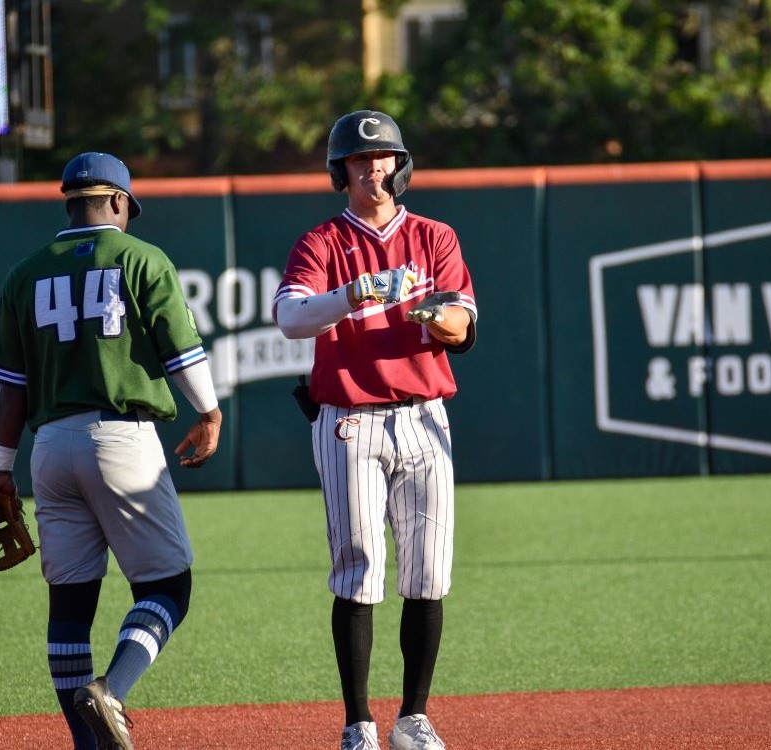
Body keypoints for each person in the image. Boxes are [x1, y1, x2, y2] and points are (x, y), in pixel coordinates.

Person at [0, 151, 223, 750]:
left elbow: (11, 386)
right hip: (122, 439)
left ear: (70, 201)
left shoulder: (24, 273)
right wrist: (209, 413)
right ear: (117, 201)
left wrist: (0, 472)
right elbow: (181, 355)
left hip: (49, 448)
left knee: (70, 605)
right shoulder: (141, 258)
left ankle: (88, 746)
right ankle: (112, 690)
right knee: (168, 589)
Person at [273, 111, 477, 750]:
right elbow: (289, 317)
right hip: (350, 423)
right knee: (358, 568)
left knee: (429, 571)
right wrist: (351, 297)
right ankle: (358, 721)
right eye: (359, 160)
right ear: (341, 170)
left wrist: (435, 315)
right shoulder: (323, 243)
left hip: (424, 418)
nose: (372, 168)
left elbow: (463, 325)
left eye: (382, 157)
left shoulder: (435, 237)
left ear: (399, 164)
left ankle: (414, 717)